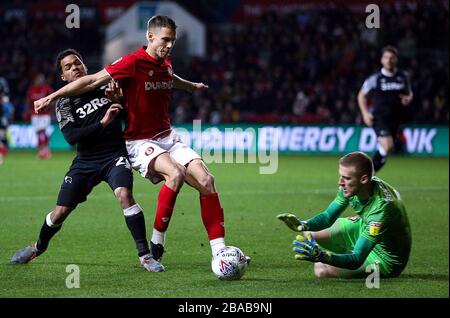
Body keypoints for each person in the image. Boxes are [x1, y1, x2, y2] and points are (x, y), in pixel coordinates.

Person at [34, 16, 231, 270]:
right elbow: (92, 80)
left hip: (167, 136)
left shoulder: (165, 62)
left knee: (207, 180)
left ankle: (220, 252)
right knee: (176, 173)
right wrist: (51, 97)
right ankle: (157, 243)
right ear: (150, 37)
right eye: (165, 40)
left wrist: (189, 86)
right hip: (139, 140)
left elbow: (169, 77)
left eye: (172, 41)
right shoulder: (131, 62)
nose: (169, 45)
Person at [11, 49, 163, 272]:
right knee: (60, 212)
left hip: (114, 156)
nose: (75, 68)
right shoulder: (64, 103)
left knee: (124, 195)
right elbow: (72, 137)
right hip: (86, 161)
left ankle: (145, 256)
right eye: (68, 67)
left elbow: (132, 118)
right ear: (63, 77)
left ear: (85, 66)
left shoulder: (106, 87)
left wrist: (120, 101)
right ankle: (38, 247)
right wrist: (103, 122)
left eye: (77, 63)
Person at [277, 151, 411, 278]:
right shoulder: (355, 186)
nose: (340, 182)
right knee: (311, 233)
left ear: (364, 179)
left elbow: (357, 259)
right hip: (365, 227)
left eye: (346, 178)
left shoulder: (382, 208)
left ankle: (343, 257)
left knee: (321, 269)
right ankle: (344, 255)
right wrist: (304, 224)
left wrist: (323, 256)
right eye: (340, 176)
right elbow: (328, 217)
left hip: (384, 258)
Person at [357, 45, 413, 172]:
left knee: (386, 149)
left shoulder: (403, 77)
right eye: (386, 57)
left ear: (396, 60)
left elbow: (409, 93)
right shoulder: (376, 78)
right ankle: (364, 174)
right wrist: (365, 113)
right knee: (387, 146)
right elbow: (361, 95)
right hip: (379, 118)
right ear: (382, 60)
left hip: (395, 119)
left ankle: (367, 173)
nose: (388, 60)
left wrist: (408, 98)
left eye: (391, 58)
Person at [27, 74, 54, 159]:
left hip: (45, 115)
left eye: (42, 80)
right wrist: (27, 111)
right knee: (38, 133)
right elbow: (28, 102)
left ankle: (46, 150)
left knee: (43, 131)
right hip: (35, 114)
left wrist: (50, 108)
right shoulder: (31, 89)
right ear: (35, 80)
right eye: (39, 80)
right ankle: (41, 151)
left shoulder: (47, 88)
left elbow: (53, 99)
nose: (40, 81)